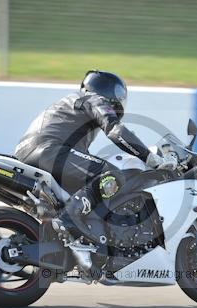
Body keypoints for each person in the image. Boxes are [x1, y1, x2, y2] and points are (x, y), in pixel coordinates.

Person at [15, 70, 177, 244]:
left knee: (91, 182)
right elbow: (116, 131)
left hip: (27, 152)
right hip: (50, 151)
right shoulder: (94, 99)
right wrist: (150, 158)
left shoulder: (71, 106)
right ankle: (68, 219)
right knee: (112, 174)